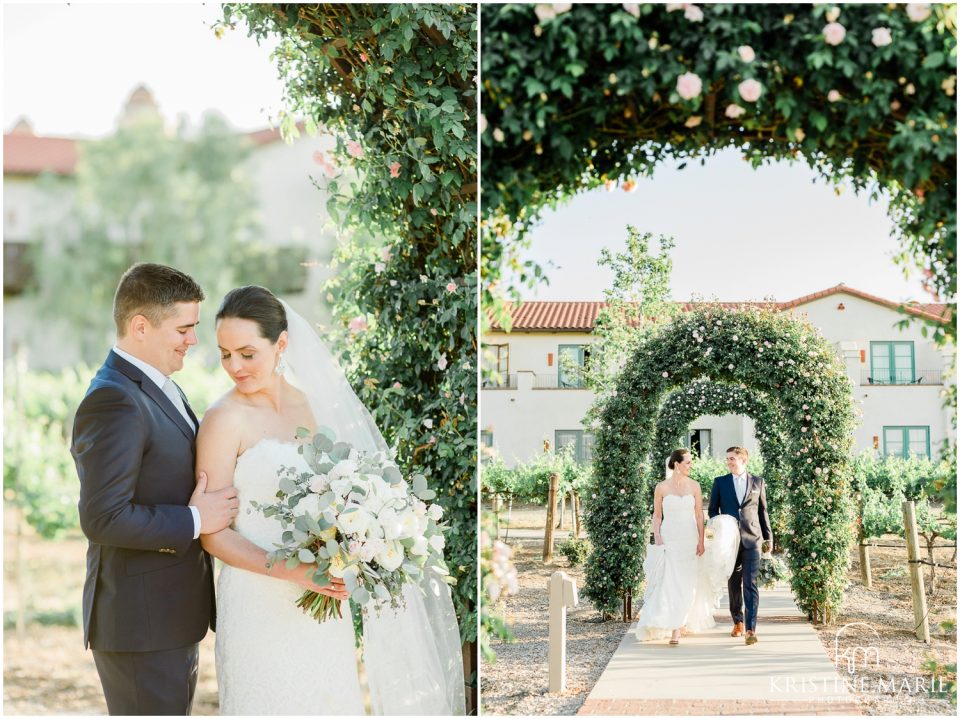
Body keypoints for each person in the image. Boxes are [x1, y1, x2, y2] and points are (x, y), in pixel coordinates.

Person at [198, 285, 465, 715]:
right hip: (255, 601)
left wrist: (360, 543)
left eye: (247, 353)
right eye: (225, 353)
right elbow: (212, 535)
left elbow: (348, 495)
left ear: (280, 344)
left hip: (324, 599)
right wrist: (294, 570)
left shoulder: (317, 408)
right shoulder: (223, 419)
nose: (235, 366)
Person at [72, 263, 240, 715]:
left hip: (167, 619)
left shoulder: (160, 387)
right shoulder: (114, 400)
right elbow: (103, 517)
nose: (193, 340)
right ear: (140, 326)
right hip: (139, 626)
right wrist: (196, 520)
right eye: (183, 329)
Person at [708, 446, 773, 646]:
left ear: (743, 460)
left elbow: (763, 512)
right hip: (730, 542)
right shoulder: (720, 482)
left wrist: (769, 538)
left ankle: (751, 628)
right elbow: (712, 511)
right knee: (734, 583)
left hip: (753, 539)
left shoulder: (758, 482)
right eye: (727, 459)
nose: (729, 462)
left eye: (732, 459)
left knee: (750, 584)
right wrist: (721, 528)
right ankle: (738, 621)